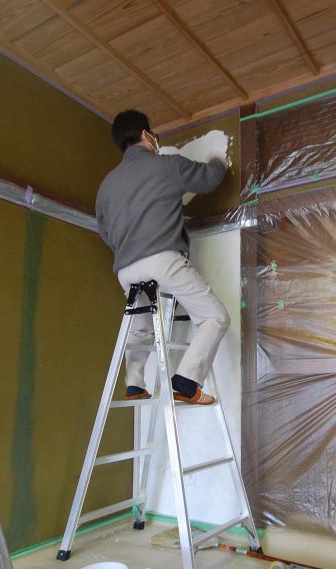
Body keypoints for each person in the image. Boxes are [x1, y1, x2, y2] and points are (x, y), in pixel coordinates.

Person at [96, 110, 229, 405]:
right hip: (162, 260)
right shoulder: (166, 166)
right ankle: (186, 380)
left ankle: (134, 383)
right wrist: (218, 161)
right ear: (146, 135)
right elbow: (209, 179)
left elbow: (103, 230)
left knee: (141, 325)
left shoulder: (107, 185)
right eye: (153, 135)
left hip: (125, 269)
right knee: (215, 317)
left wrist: (128, 246)